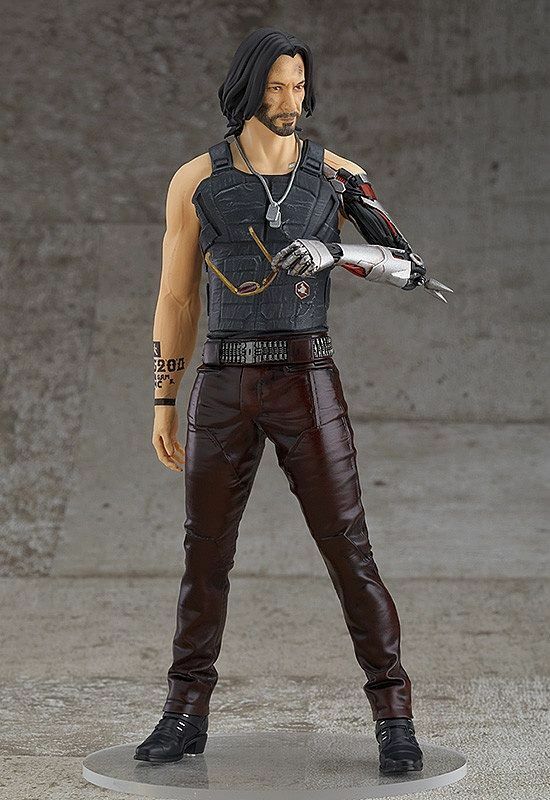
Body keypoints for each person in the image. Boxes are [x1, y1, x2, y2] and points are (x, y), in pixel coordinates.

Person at [135, 26, 449, 774]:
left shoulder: (336, 176)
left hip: (307, 379)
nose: (290, 101)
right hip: (223, 381)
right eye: (276, 86)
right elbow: (176, 297)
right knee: (204, 552)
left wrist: (333, 251)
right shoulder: (197, 180)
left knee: (349, 548)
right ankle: (183, 714)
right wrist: (163, 397)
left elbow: (411, 266)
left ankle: (395, 716)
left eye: (299, 86)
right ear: (248, 89)